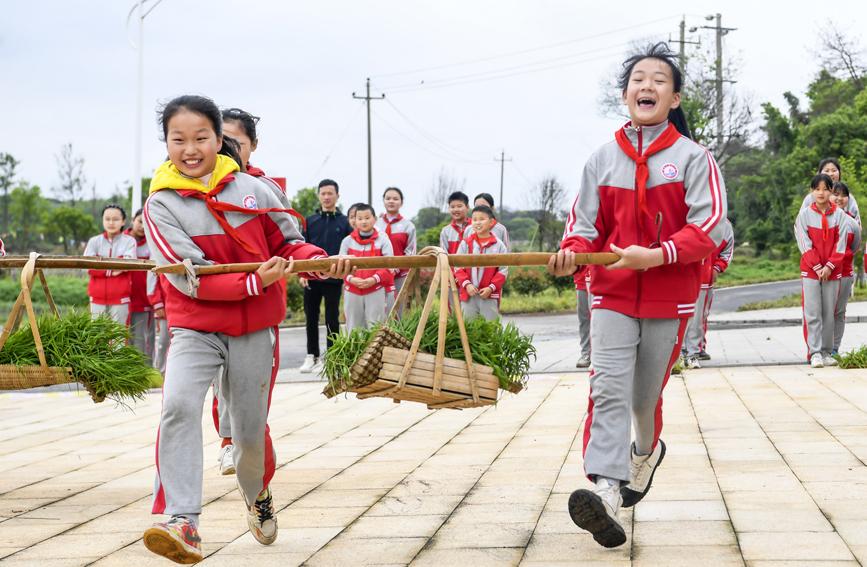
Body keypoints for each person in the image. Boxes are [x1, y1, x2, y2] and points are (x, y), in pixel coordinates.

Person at [141, 94, 352, 564]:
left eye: (201, 138)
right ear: (167, 144)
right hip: (196, 328)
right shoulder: (161, 203)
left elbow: (290, 244)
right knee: (176, 405)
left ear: (220, 140)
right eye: (179, 139)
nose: (190, 149)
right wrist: (254, 279)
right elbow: (185, 273)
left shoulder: (253, 189)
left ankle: (256, 494)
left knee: (248, 435)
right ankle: (182, 521)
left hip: (255, 327)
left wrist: (321, 263)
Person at [548, 42, 727, 548]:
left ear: (674, 98)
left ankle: (643, 455)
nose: (646, 86)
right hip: (611, 294)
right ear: (625, 94)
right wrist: (572, 253)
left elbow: (709, 225)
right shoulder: (601, 161)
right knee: (607, 390)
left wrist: (657, 255)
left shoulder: (695, 159)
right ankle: (604, 490)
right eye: (637, 80)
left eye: (659, 80)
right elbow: (582, 229)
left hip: (672, 295)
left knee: (643, 399)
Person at [796, 173, 851, 368]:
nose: (821, 193)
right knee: (812, 313)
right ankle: (815, 353)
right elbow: (804, 243)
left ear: (831, 192)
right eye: (817, 189)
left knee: (829, 313)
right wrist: (818, 267)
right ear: (811, 192)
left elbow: (841, 244)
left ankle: (827, 352)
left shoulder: (840, 216)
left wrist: (829, 267)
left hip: (833, 272)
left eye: (825, 189)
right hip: (811, 271)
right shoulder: (804, 215)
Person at [299, 179, 352, 374]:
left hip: (334, 278)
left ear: (337, 196)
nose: (327, 197)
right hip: (312, 277)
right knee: (310, 318)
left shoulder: (345, 222)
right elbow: (303, 247)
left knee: (332, 318)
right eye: (323, 193)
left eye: (331, 193)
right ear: (319, 195)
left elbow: (348, 250)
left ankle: (333, 356)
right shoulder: (310, 221)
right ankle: (312, 356)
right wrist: (302, 273)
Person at [681, 219, 734, 369]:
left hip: (704, 278)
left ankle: (693, 353)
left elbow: (727, 249)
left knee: (699, 318)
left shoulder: (725, 226)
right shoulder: (687, 218)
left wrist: (717, 267)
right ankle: (680, 353)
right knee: (680, 316)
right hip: (682, 277)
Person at [340, 204, 393, 330]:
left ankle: (375, 351)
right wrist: (351, 279)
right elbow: (340, 266)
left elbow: (390, 266)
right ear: (355, 220)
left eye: (367, 218)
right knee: (353, 329)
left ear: (375, 219)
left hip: (375, 289)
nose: (363, 221)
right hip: (352, 289)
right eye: (359, 218)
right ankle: (355, 350)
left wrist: (374, 279)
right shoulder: (347, 241)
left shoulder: (383, 241)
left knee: (376, 328)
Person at [84, 204, 137, 325]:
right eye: (107, 219)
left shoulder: (129, 241)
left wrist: (99, 261)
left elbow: (128, 264)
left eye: (116, 219)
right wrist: (111, 270)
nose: (111, 223)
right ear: (102, 220)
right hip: (97, 297)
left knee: (120, 338)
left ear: (123, 222)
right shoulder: (94, 241)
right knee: (97, 337)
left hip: (121, 298)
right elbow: (86, 266)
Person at [454, 205, 507, 321]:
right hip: (468, 295)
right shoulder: (465, 243)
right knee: (469, 330)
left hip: (490, 295)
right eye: (475, 219)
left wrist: (491, 288)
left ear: (491, 222)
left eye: (482, 219)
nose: (478, 222)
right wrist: (467, 284)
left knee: (490, 329)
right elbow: (458, 266)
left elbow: (503, 270)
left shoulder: (499, 245)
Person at [375, 187, 416, 314]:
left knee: (399, 311)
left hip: (400, 275)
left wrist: (395, 269)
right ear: (383, 201)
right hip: (378, 275)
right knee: (379, 310)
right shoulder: (375, 225)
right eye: (388, 198)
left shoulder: (408, 226)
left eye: (395, 199)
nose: (391, 201)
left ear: (401, 203)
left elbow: (410, 253)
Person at [832, 181, 861, 356]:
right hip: (826, 273)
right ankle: (821, 349)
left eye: (843, 195)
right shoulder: (820, 218)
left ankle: (834, 348)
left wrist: (845, 258)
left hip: (845, 272)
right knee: (824, 311)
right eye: (836, 194)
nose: (839, 198)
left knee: (840, 311)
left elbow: (855, 245)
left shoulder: (851, 222)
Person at [124, 209, 157, 362]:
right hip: (121, 300)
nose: (143, 226)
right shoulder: (120, 241)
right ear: (132, 220)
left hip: (143, 300)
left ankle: (147, 372)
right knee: (122, 338)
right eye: (140, 221)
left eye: (146, 222)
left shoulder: (153, 244)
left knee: (144, 339)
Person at [801, 158, 861, 226]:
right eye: (827, 171)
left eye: (834, 170)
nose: (830, 174)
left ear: (840, 174)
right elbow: (800, 224)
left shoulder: (848, 197)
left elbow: (857, 225)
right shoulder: (811, 198)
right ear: (819, 174)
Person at [574, 267, 592, 368]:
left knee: (597, 317)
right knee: (584, 317)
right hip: (581, 277)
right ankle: (586, 353)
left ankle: (598, 354)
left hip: (598, 275)